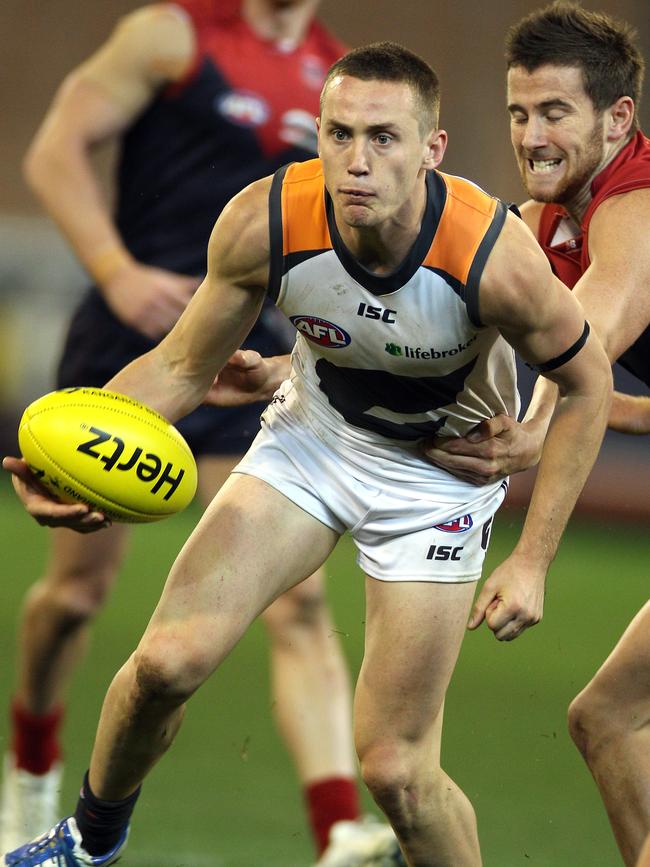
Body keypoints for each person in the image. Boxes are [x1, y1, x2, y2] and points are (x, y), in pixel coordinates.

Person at [2, 39, 612, 867]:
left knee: (398, 770)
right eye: (339, 134)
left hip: (438, 481)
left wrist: (532, 557)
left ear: (432, 149)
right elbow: (180, 367)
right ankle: (86, 844)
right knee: (164, 665)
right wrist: (68, 455)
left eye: (384, 138)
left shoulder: (491, 256)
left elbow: (588, 384)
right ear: (317, 134)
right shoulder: (266, 219)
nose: (356, 161)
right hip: (313, 439)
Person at [3, 3, 406, 864]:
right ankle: (30, 767)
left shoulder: (340, 78)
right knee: (74, 599)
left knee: (295, 599)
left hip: (246, 349)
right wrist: (115, 270)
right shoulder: (173, 34)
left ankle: (336, 825)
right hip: (135, 337)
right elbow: (54, 150)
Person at [424, 4, 650, 865]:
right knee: (606, 718)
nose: (532, 135)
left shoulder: (635, 208)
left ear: (616, 117)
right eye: (520, 113)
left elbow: (583, 348)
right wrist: (298, 370)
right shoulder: (544, 223)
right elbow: (427, 306)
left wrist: (531, 554)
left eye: (556, 112)